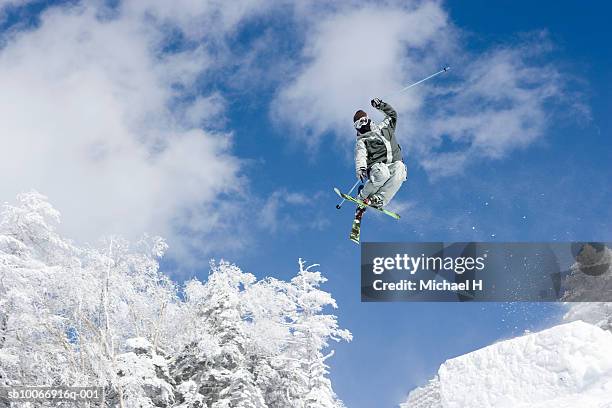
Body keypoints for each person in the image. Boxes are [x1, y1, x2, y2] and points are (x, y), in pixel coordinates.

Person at [353, 98, 407, 222]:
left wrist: (381, 105)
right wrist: (360, 168)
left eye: (364, 120)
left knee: (400, 170)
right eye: (359, 124)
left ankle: (378, 199)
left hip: (393, 163)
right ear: (356, 128)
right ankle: (362, 197)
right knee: (382, 173)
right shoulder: (362, 140)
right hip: (376, 167)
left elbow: (392, 115)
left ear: (368, 119)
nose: (363, 124)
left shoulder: (385, 128)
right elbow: (360, 155)